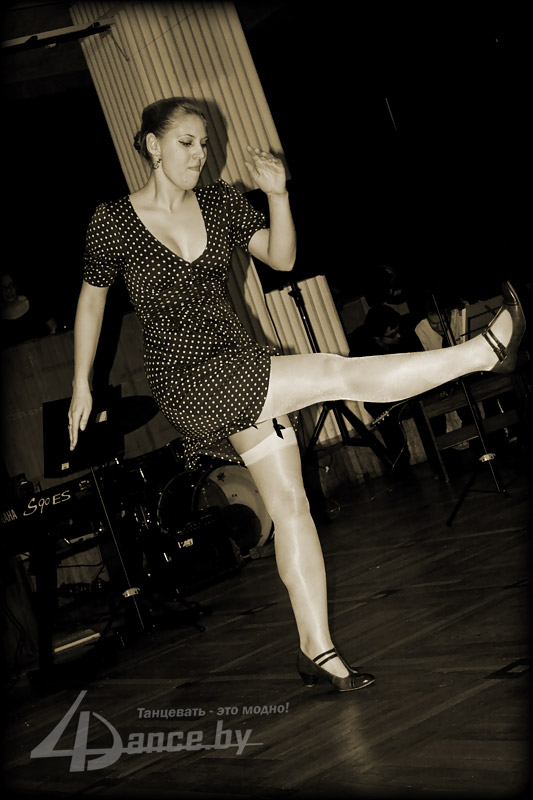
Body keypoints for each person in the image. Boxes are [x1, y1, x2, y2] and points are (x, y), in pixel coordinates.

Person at [68, 97, 526, 693]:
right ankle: (479, 355)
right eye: (186, 142)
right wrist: (80, 382)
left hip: (239, 361)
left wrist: (278, 195)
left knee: (291, 507)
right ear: (153, 145)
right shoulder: (115, 220)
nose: (199, 154)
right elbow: (92, 301)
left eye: (204, 143)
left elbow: (281, 257)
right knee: (334, 371)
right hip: (188, 376)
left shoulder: (219, 202)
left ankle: (317, 651)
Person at [348, 305, 423, 476]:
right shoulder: (359, 346)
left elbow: (420, 359)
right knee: (386, 421)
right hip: (382, 396)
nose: (399, 336)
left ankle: (439, 455)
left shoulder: (404, 331)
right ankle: (401, 466)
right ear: (377, 338)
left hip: (412, 387)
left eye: (398, 331)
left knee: (425, 407)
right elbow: (362, 382)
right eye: (392, 335)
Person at [1, 272, 58, 348]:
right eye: (3, 288)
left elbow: (54, 327)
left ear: (16, 285)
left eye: (11, 285)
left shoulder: (35, 303)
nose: (9, 290)